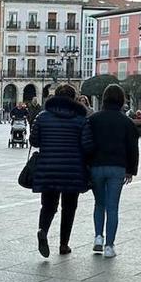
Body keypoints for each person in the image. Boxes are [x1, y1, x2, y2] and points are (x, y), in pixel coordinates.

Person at [29, 84, 93, 258]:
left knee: (48, 205)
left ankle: (43, 230)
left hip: (48, 168)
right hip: (73, 169)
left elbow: (34, 140)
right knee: (69, 207)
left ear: (55, 96)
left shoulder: (43, 116)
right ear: (73, 99)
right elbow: (87, 146)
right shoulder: (81, 119)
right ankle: (64, 244)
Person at [86, 84, 138, 260]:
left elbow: (86, 143)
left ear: (104, 99)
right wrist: (131, 170)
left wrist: (86, 164)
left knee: (99, 203)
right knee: (113, 207)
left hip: (96, 166)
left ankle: (98, 237)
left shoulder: (93, 119)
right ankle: (109, 246)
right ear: (122, 100)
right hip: (117, 167)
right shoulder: (127, 122)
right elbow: (133, 149)